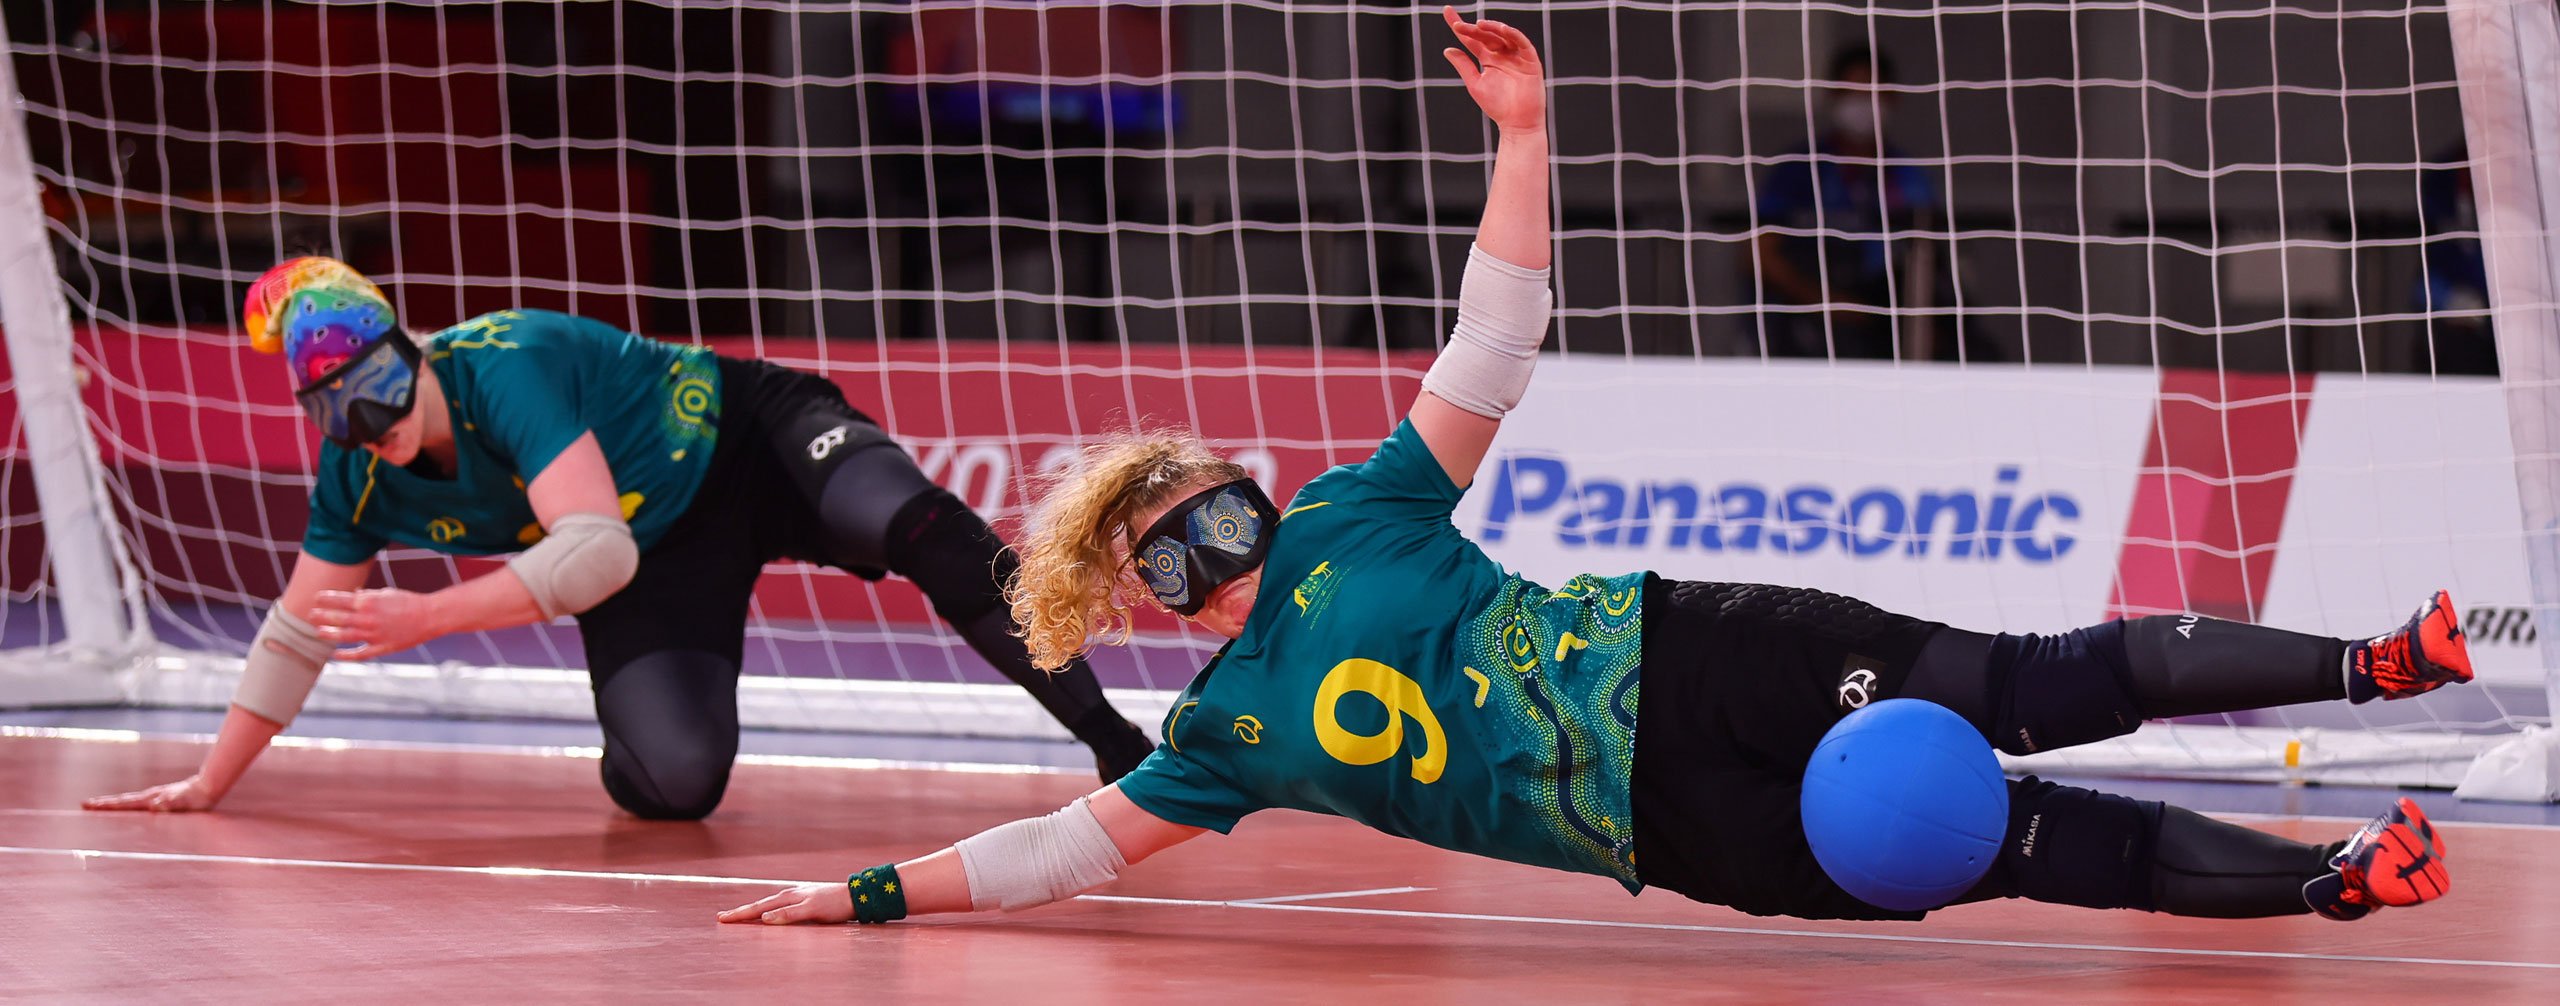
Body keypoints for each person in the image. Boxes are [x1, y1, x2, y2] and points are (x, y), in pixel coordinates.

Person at [721, 8, 2462, 930]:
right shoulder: (1218, 737)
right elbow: (1057, 851)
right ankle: (2334, 877)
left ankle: (2376, 660)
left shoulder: (1351, 512)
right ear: (1141, 600)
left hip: (1692, 647)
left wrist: (1528, 139)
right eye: (1180, 556)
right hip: (1668, 825)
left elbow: (1490, 347)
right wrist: (870, 893)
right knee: (1994, 842)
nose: (1227, 553)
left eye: (1222, 511)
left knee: (2018, 682)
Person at [83, 258, 1156, 820]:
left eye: (374, 388)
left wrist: (430, 616)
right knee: (670, 785)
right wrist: (210, 781)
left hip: (751, 439)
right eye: (333, 411)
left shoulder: (501, 364)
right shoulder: (356, 473)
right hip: (663, 549)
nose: (366, 423)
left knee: (915, 524)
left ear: (411, 351)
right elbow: (298, 629)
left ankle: (1119, 744)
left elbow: (592, 551)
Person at [1750, 44, 1945, 361]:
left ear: (1892, 98)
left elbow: (1929, 253)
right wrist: (1829, 303)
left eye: (1871, 91)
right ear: (1832, 96)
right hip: (1806, 320)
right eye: (1851, 92)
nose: (1862, 103)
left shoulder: (1909, 175)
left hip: (1887, 321)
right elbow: (1758, 255)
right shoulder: (1799, 169)